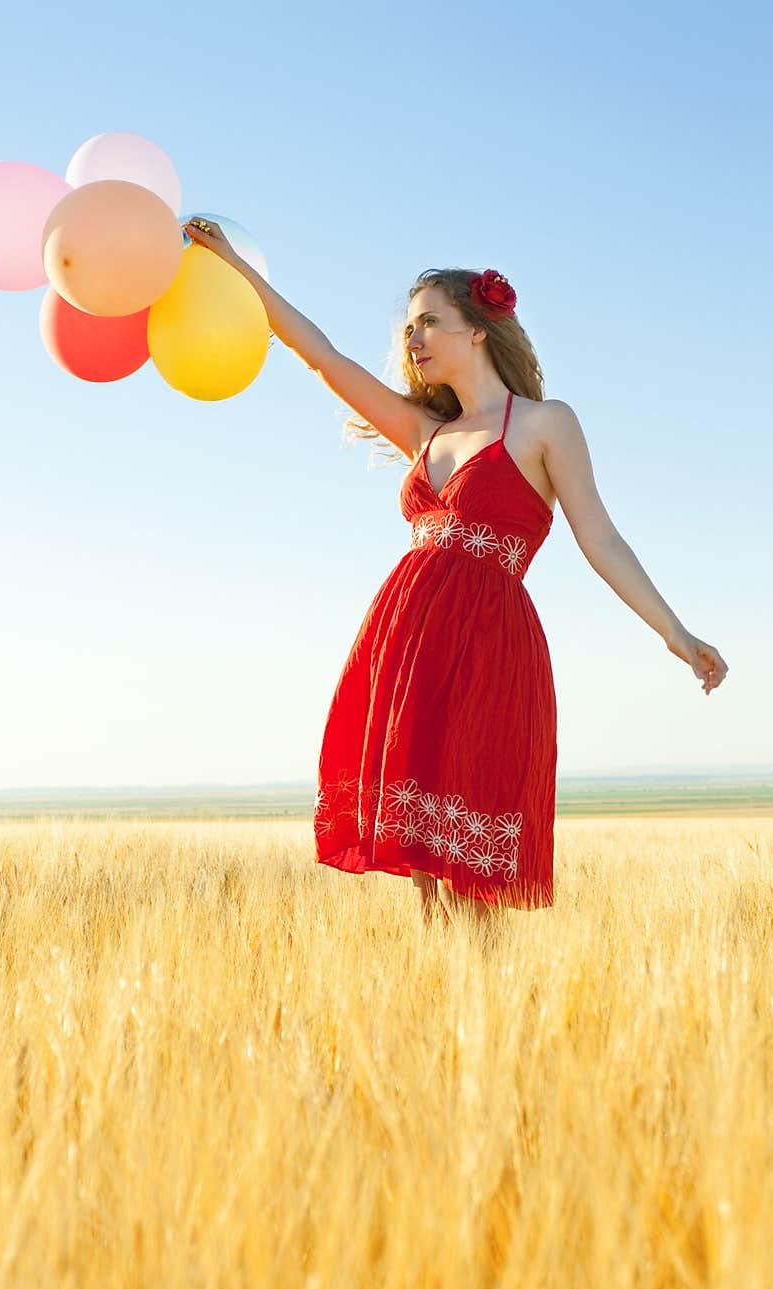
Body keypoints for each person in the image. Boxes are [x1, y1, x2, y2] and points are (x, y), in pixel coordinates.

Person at [183, 219, 729, 937]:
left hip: (489, 647)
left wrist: (675, 632)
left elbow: (601, 538)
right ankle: (444, 1024)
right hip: (406, 643)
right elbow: (319, 354)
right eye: (409, 327)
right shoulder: (423, 433)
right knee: (422, 869)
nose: (412, 341)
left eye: (429, 323)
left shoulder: (543, 424)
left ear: (477, 329)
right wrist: (231, 265)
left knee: (471, 861)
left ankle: (491, 1018)